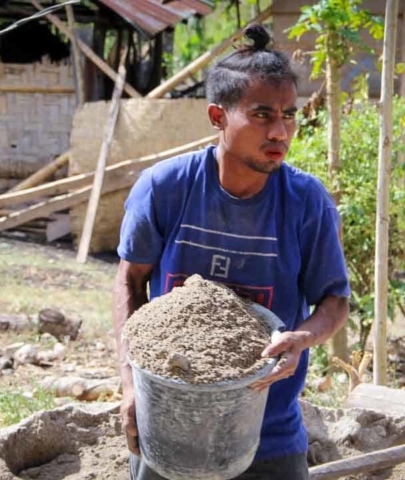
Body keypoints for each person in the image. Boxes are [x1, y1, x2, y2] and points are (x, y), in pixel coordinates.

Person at [113, 24, 350, 480]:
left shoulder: (306, 202)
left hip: (269, 430)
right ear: (218, 117)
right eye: (262, 115)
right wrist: (131, 387)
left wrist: (302, 338)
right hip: (168, 423)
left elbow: (334, 301)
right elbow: (128, 279)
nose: (281, 131)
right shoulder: (166, 188)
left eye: (289, 115)